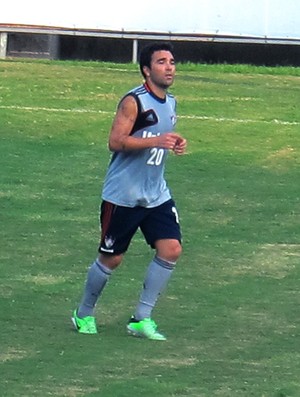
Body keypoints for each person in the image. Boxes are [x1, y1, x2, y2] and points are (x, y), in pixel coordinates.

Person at [72, 42, 187, 341]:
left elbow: (160, 138)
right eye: (161, 62)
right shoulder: (133, 102)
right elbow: (116, 141)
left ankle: (141, 318)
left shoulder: (171, 102)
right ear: (147, 70)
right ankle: (83, 313)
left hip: (155, 194)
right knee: (112, 258)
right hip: (123, 195)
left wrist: (174, 142)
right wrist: (155, 141)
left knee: (171, 248)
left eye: (172, 61)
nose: (170, 66)